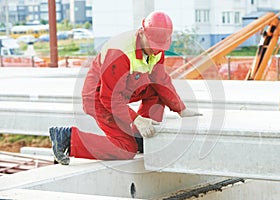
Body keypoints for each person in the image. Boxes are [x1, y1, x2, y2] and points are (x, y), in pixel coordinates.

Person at [49, 11, 202, 165]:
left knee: (156, 91)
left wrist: (180, 108)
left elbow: (160, 81)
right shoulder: (119, 52)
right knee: (126, 149)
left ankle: (139, 138)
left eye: (159, 47)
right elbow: (109, 98)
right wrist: (137, 119)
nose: (155, 50)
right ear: (142, 32)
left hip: (126, 88)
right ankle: (67, 138)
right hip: (98, 97)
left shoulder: (156, 50)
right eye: (153, 45)